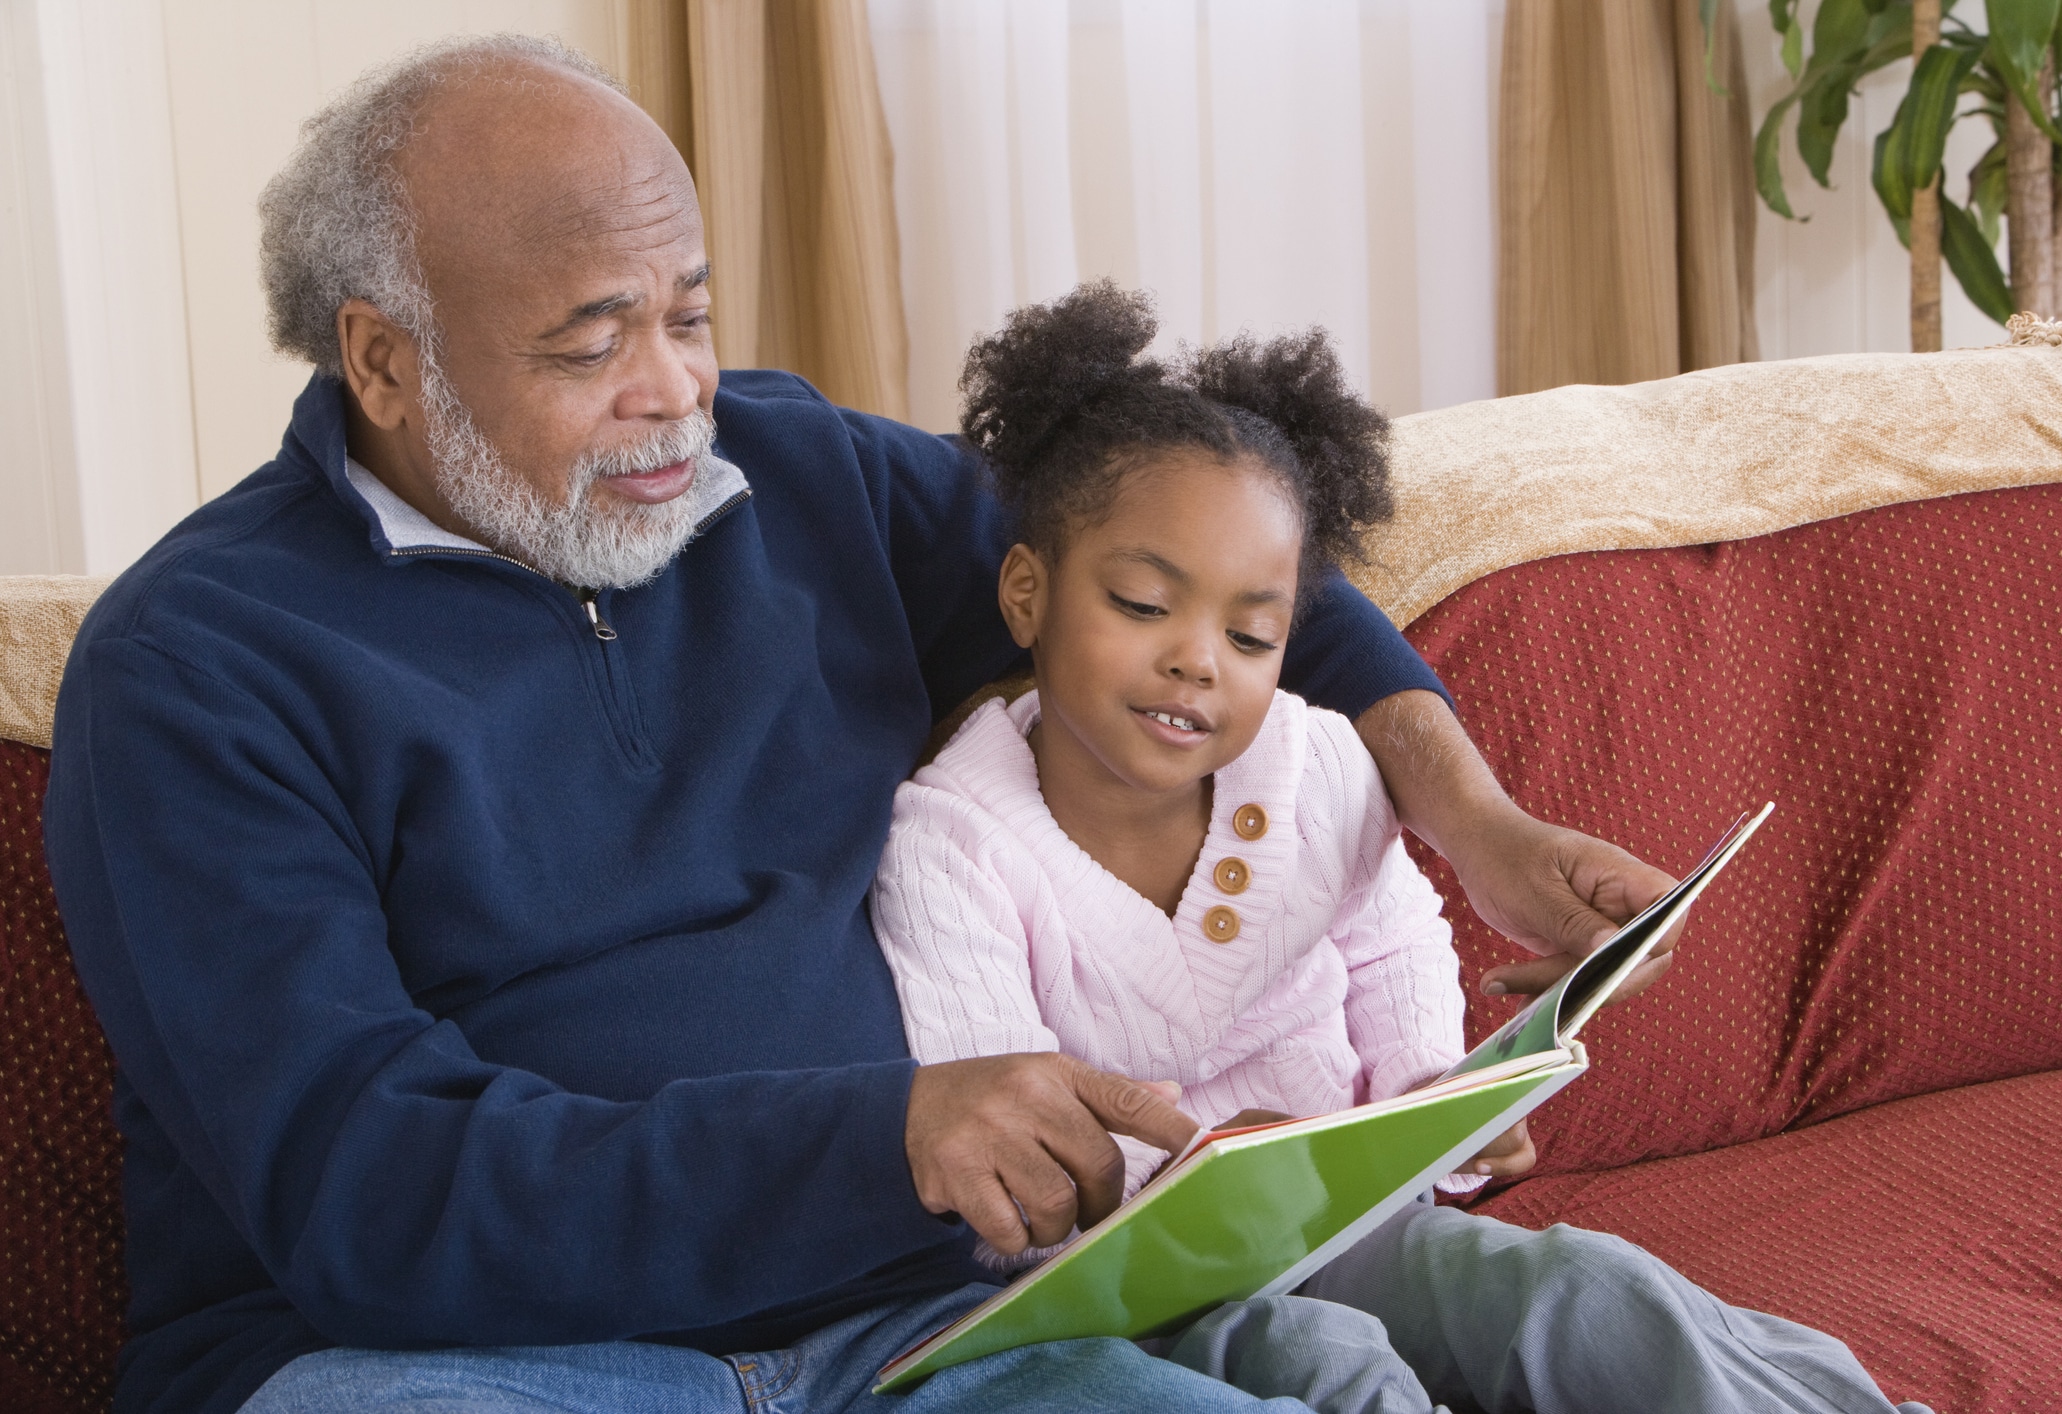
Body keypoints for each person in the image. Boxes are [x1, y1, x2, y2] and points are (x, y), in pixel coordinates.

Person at [46, 33, 1689, 1414]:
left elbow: (1213, 570)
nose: (675, 389)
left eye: (686, 311)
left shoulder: (795, 473)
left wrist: (1472, 821)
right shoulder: (198, 666)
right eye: (588, 338)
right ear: (385, 364)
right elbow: (369, 1192)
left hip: (926, 1326)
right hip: (462, 1364)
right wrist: (881, 1132)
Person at [870, 282, 1928, 1414]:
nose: (1198, 662)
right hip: (1148, 1295)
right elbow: (1003, 1154)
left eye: (1250, 633)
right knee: (1341, 1373)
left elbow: (1392, 943)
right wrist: (1195, 1173)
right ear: (1027, 593)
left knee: (1579, 1288)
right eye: (1141, 604)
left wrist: (1442, 1100)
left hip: (1349, 1223)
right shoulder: (948, 844)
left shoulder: (1318, 759)